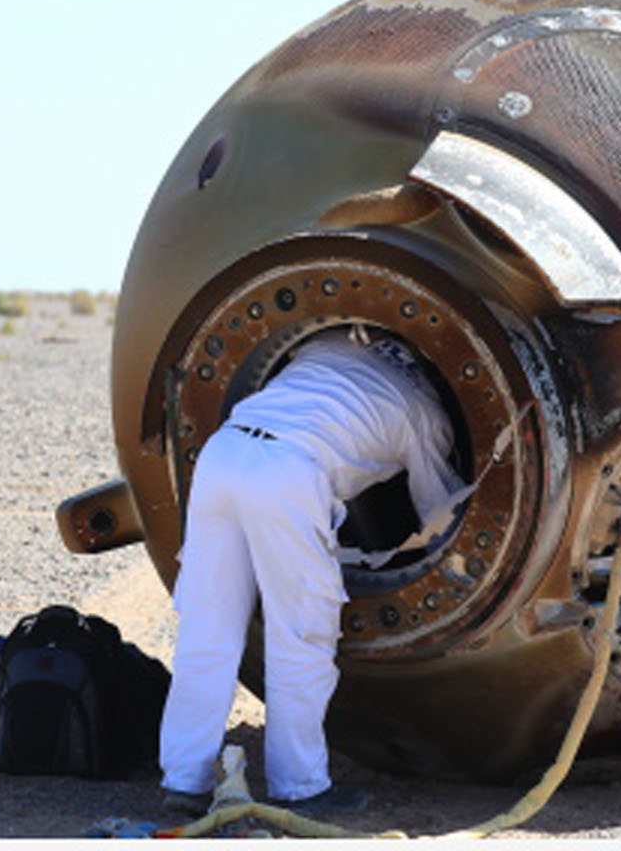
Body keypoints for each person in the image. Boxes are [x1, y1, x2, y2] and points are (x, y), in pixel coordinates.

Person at [157, 325, 468, 817]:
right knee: (301, 636)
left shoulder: (331, 345)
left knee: (207, 630)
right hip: (288, 472)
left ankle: (184, 780)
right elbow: (442, 515)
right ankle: (300, 787)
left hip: (223, 453)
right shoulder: (424, 412)